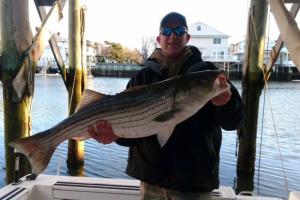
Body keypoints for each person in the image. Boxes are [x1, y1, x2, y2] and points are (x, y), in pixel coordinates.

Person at [88, 12, 245, 200]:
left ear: (187, 37)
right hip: (151, 182)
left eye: (179, 30)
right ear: (159, 38)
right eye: (167, 31)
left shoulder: (208, 75)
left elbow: (235, 121)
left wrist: (226, 104)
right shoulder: (142, 78)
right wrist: (114, 135)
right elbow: (133, 132)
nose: (173, 35)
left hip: (194, 183)